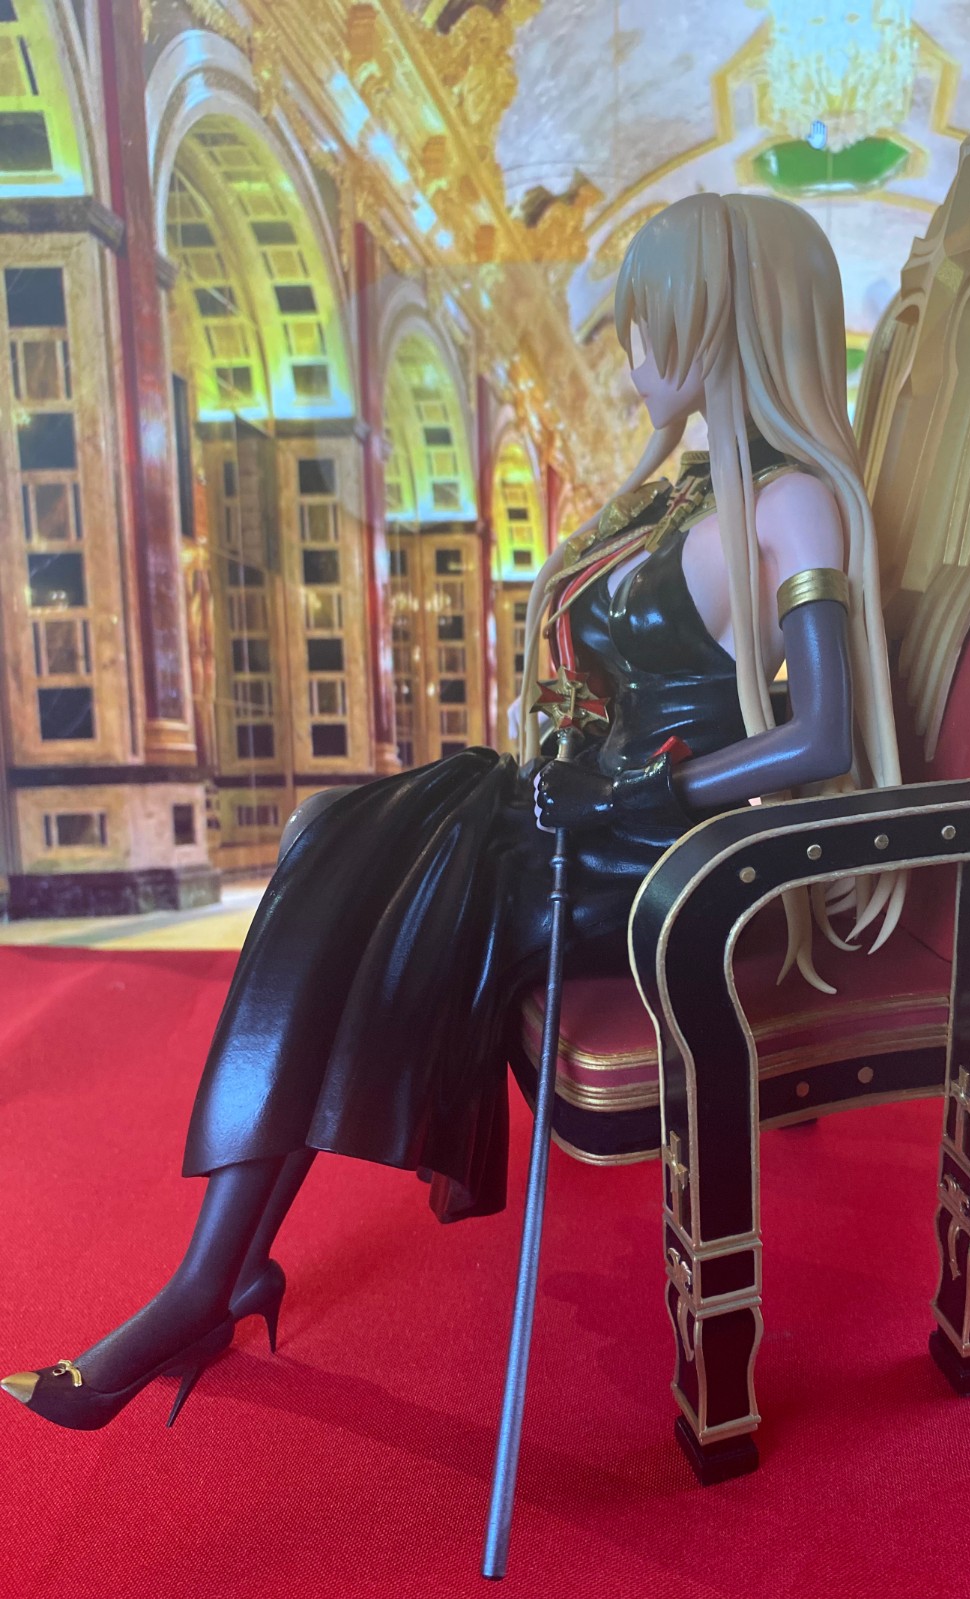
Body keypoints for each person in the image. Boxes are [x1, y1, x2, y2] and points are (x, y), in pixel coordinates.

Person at [2, 191, 902, 1431]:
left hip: (657, 856)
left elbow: (822, 737)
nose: (631, 351)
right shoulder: (681, 496)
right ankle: (214, 1275)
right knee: (336, 838)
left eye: (650, 320)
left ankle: (210, 1283)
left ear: (727, 318)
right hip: (579, 814)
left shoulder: (787, 503)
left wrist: (634, 789)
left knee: (373, 887)